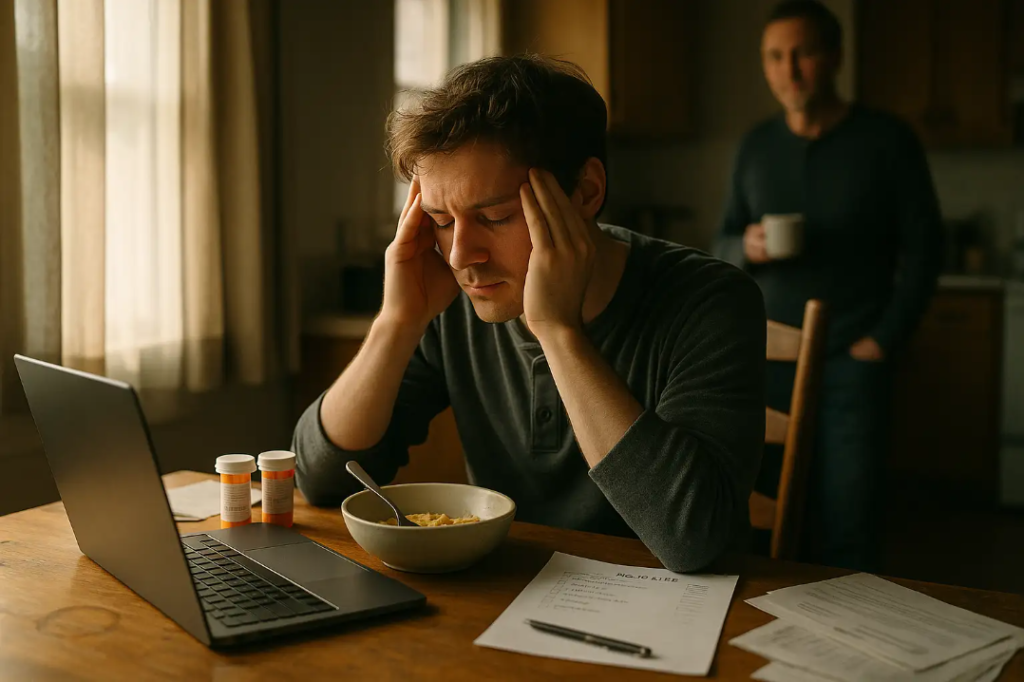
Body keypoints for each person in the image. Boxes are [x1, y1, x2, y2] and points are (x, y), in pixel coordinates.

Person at [293, 55, 766, 573]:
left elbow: (694, 539)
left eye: (494, 217)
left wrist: (559, 333)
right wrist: (396, 324)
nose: (459, 255)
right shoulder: (455, 301)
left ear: (586, 191)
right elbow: (321, 479)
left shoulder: (712, 300)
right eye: (441, 220)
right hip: (506, 601)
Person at [713, 0, 943, 571]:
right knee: (760, 515)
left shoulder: (887, 140)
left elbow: (926, 249)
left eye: (804, 53)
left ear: (834, 56)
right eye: (774, 57)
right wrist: (746, 247)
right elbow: (719, 242)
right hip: (766, 363)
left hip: (852, 358)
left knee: (849, 516)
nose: (789, 71)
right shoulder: (756, 146)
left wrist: (884, 340)